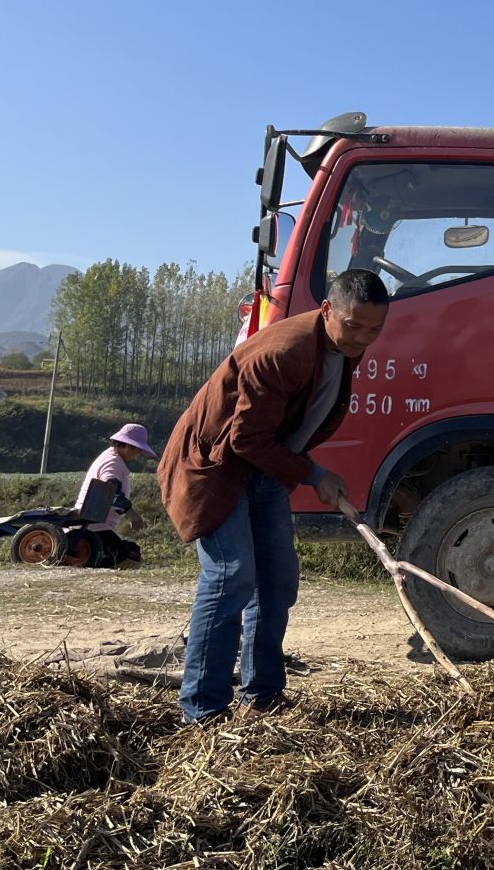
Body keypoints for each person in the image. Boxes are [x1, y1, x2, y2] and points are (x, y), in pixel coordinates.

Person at [159, 269, 390, 723]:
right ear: (326, 311)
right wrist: (314, 473)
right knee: (232, 575)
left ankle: (260, 695)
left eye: (375, 329)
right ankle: (202, 709)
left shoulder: (344, 349)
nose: (363, 338)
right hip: (219, 466)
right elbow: (245, 438)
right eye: (354, 326)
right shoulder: (284, 352)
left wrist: (304, 467)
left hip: (264, 469)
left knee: (277, 580)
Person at [73, 423, 154, 568]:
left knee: (130, 552)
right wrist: (130, 513)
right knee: (127, 555)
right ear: (128, 446)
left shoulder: (112, 458)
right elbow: (109, 488)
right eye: (138, 450)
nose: (138, 454)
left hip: (97, 525)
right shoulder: (112, 462)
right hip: (92, 526)